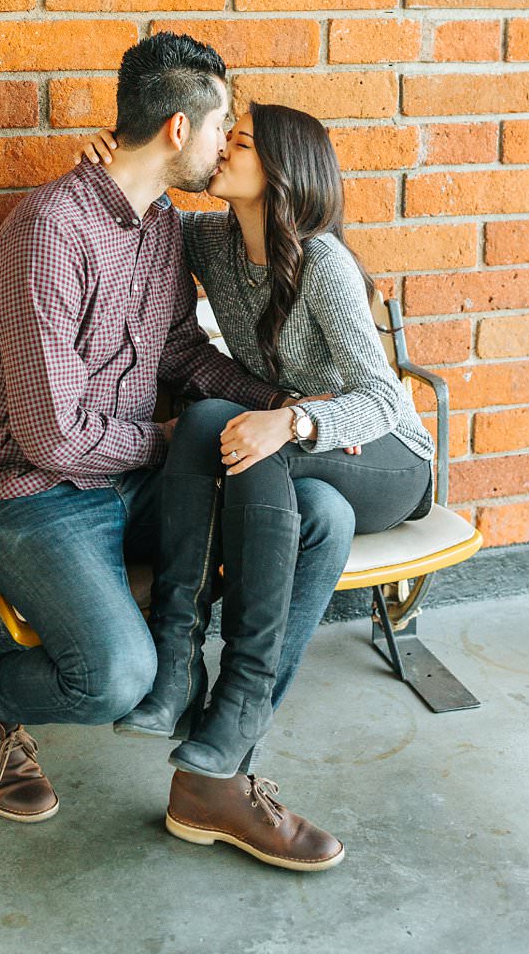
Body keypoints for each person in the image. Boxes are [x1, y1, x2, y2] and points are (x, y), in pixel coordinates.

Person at [0, 32, 354, 873]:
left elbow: (178, 350)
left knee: (320, 516)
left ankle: (217, 766)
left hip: (132, 483)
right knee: (115, 677)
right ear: (178, 130)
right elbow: (53, 434)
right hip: (29, 494)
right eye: (221, 130)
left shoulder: (162, 224)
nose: (225, 145)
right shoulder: (48, 235)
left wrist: (277, 407)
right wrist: (180, 443)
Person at [85, 103, 434, 799]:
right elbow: (143, 215)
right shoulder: (212, 242)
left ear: (280, 170)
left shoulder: (322, 262)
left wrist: (294, 424)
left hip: (387, 457)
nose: (221, 149)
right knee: (281, 479)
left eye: (238, 141)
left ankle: (220, 687)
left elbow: (384, 397)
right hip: (307, 467)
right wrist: (116, 168)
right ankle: (196, 679)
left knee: (228, 426)